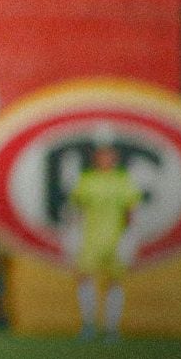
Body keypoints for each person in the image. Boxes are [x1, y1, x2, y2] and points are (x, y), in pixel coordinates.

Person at [68, 144, 143, 341]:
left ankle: (112, 328)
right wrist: (72, 235)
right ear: (96, 159)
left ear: (114, 159)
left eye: (108, 156)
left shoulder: (122, 180)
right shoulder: (87, 180)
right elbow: (77, 210)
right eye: (101, 156)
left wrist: (130, 237)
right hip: (90, 239)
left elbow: (130, 210)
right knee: (84, 277)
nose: (105, 160)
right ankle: (89, 325)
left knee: (114, 281)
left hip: (115, 238)